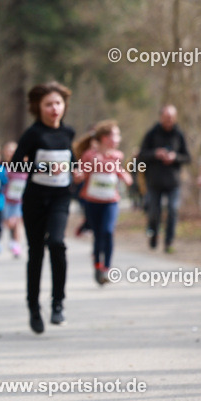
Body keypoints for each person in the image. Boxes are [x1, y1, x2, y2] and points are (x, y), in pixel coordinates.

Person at [10, 81, 75, 334]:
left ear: (64, 106)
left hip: (60, 197)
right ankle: (34, 307)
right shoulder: (33, 134)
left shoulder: (68, 133)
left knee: (57, 243)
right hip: (35, 200)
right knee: (36, 252)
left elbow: (72, 159)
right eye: (48, 104)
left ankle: (58, 303)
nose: (54, 108)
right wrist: (44, 168)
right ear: (39, 107)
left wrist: (76, 169)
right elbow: (15, 165)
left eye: (58, 103)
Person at [73, 121, 133, 285]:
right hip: (92, 202)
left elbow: (118, 169)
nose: (118, 139)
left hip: (110, 201)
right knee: (98, 235)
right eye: (116, 135)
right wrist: (79, 175)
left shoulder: (117, 156)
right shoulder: (90, 156)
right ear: (105, 138)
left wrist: (125, 176)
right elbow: (83, 173)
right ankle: (97, 267)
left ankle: (106, 268)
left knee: (107, 231)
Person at [137, 105, 192, 253]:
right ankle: (154, 233)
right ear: (161, 117)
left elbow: (187, 157)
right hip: (154, 180)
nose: (169, 120)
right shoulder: (152, 134)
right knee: (154, 211)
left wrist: (175, 157)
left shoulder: (179, 134)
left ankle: (169, 241)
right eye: (167, 117)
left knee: (173, 209)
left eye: (172, 117)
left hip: (173, 181)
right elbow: (140, 155)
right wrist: (156, 154)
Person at [1, 141, 26, 257]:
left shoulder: (25, 165)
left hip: (20, 200)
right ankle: (13, 239)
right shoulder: (1, 166)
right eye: (9, 150)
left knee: (17, 221)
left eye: (13, 150)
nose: (11, 153)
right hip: (5, 199)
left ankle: (16, 244)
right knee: (9, 223)